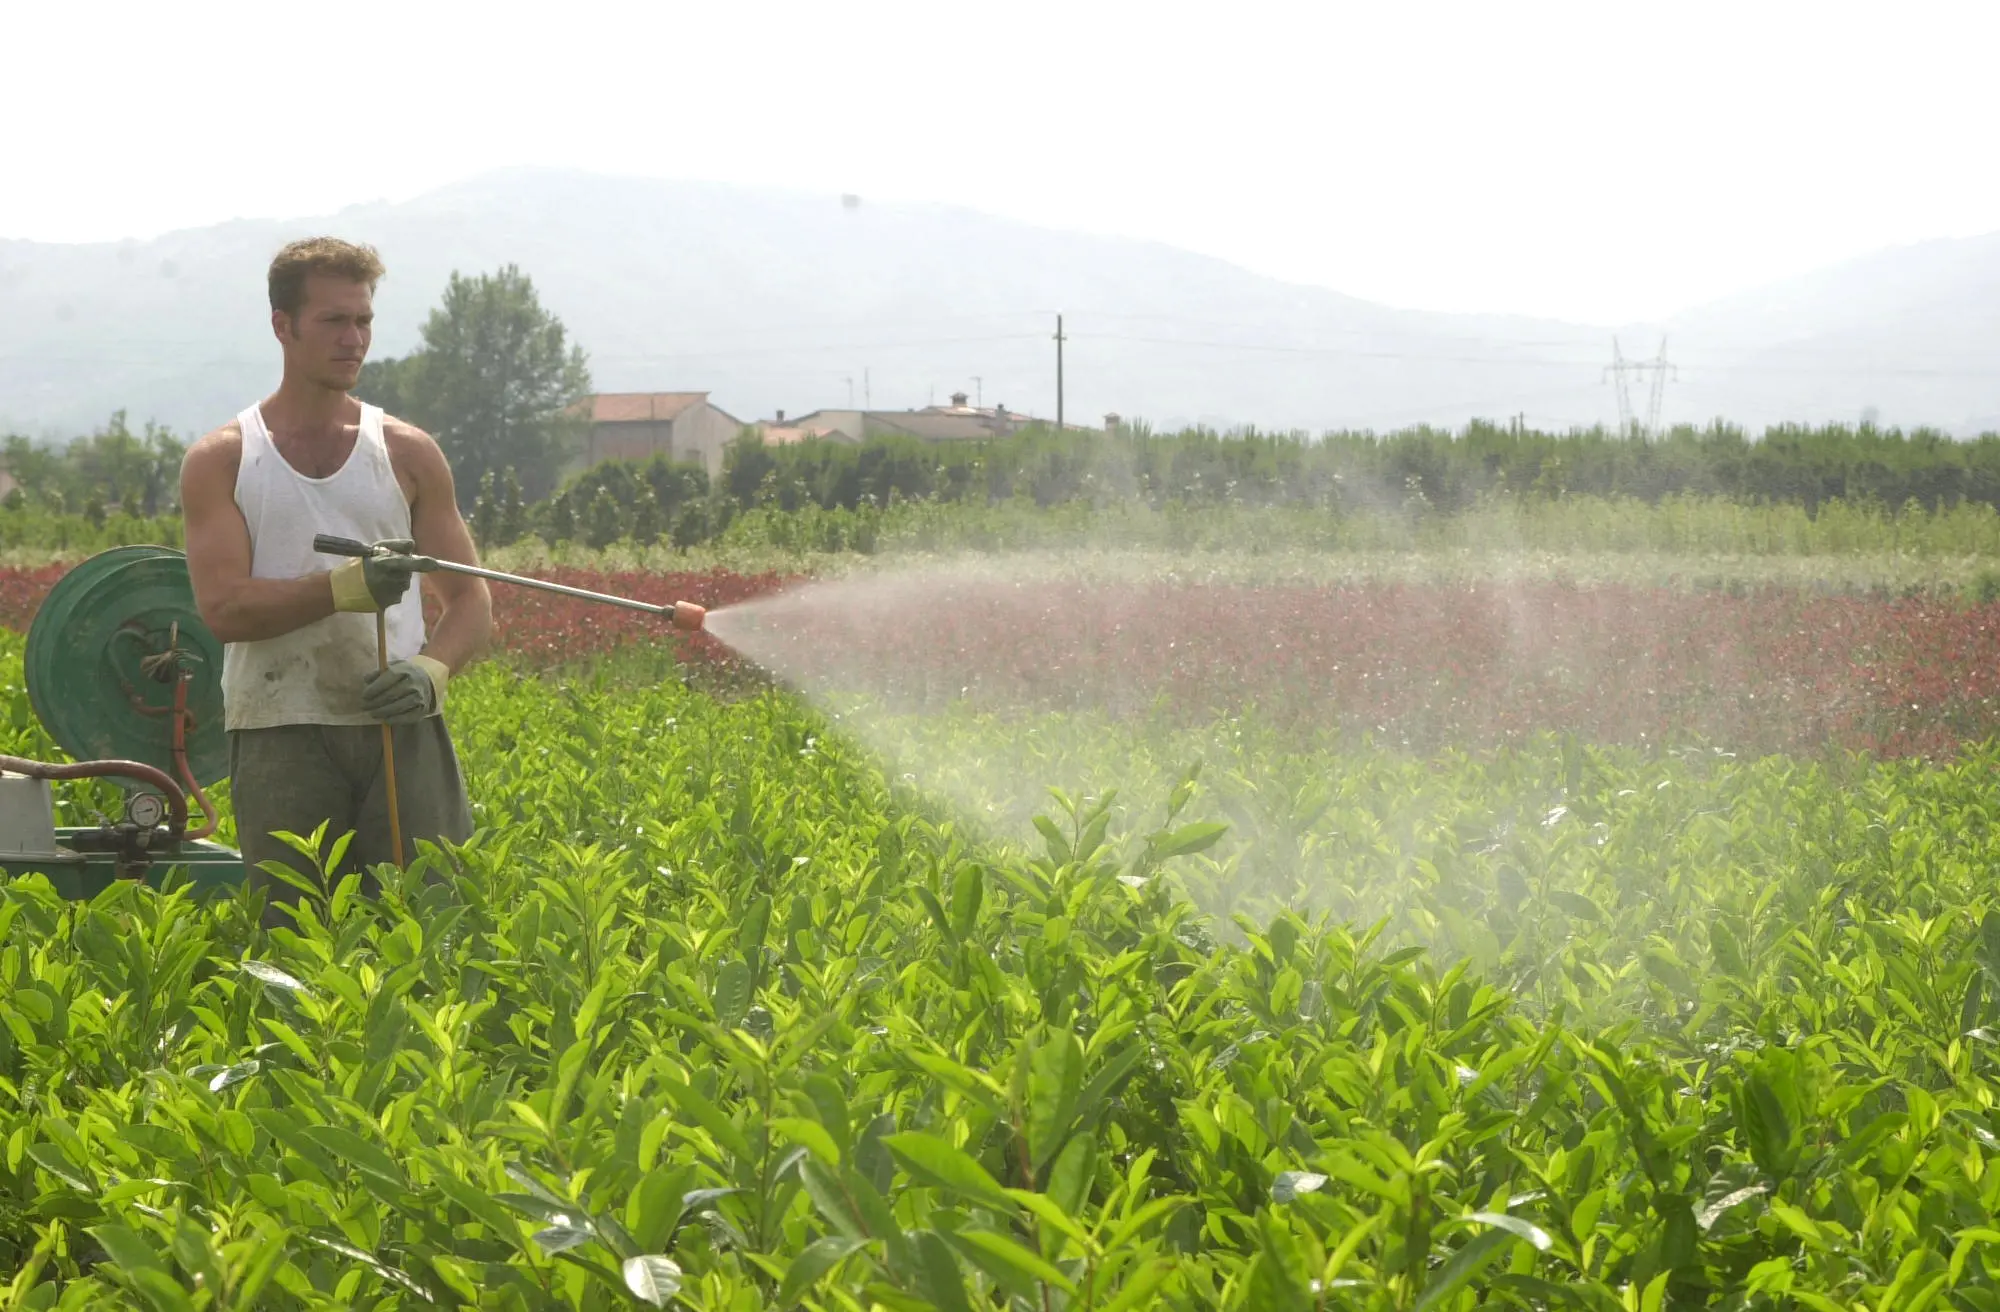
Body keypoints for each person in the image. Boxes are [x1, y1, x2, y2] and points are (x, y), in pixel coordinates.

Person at [180, 237, 492, 921]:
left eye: (364, 321)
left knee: (425, 928)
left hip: (401, 726)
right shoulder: (225, 460)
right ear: (282, 326)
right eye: (333, 321)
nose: (354, 340)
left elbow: (471, 598)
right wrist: (343, 590)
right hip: (278, 728)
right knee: (296, 935)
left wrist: (432, 672)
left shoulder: (408, 453)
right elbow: (226, 610)